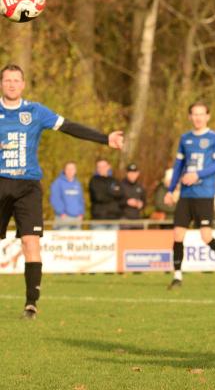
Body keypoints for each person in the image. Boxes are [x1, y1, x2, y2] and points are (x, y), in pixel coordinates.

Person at [0, 64, 123, 319]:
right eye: (7, 80)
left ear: (23, 85)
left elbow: (69, 127)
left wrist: (104, 138)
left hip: (27, 186)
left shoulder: (35, 111)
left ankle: (31, 304)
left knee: (30, 242)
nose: (11, 84)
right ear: (1, 84)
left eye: (16, 80)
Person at [163, 101, 215, 289]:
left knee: (206, 236)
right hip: (186, 195)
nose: (198, 118)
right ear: (190, 117)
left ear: (208, 116)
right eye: (194, 114)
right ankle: (177, 277)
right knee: (177, 234)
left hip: (204, 194)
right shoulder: (185, 139)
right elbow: (178, 167)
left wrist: (197, 175)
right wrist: (171, 189)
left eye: (201, 114)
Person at [49, 161, 84, 230]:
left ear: (75, 170)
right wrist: (61, 213)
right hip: (63, 218)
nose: (70, 171)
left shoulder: (77, 183)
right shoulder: (57, 183)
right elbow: (55, 199)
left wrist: (81, 213)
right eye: (68, 169)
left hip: (77, 218)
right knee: (62, 240)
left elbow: (81, 199)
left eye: (72, 169)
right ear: (64, 170)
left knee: (77, 240)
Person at [89, 158, 123, 229]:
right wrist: (112, 192)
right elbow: (99, 196)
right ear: (97, 168)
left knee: (114, 240)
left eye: (104, 166)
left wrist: (106, 192)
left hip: (114, 219)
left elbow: (120, 194)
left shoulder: (114, 180)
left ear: (108, 166)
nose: (102, 169)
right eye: (99, 167)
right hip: (99, 219)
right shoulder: (94, 181)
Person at [120, 163, 146, 228]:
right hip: (124, 218)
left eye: (134, 172)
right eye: (130, 172)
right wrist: (126, 202)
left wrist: (141, 204)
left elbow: (144, 202)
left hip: (137, 218)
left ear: (138, 173)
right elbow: (116, 202)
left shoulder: (140, 187)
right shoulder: (120, 185)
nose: (132, 175)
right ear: (127, 173)